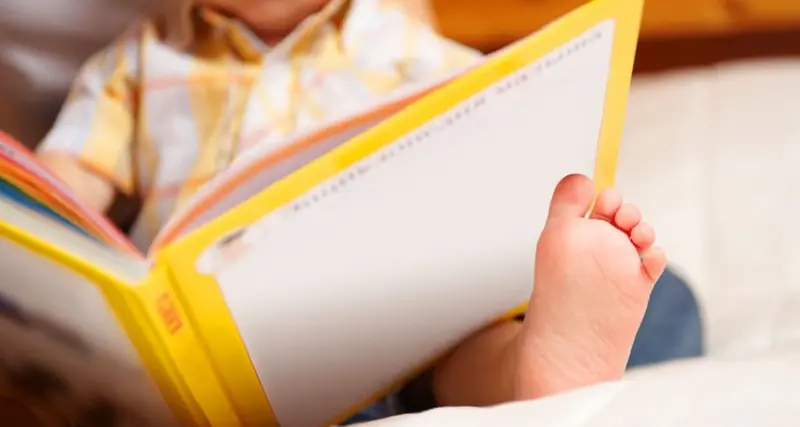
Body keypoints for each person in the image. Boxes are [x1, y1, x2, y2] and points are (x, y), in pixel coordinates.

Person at [0, 0, 703, 423]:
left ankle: (533, 372)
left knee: (461, 341)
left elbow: (502, 151)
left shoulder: (399, 48)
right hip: (215, 353)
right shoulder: (141, 61)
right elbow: (62, 194)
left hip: (385, 325)